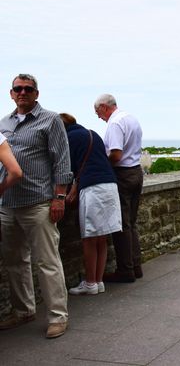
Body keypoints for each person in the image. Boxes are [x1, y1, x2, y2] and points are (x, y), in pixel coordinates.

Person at [0, 74, 72, 339]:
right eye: (18, 89)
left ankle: (57, 316)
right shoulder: (4, 123)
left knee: (47, 262)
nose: (23, 93)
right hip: (7, 204)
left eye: (28, 89)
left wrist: (59, 198)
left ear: (36, 93)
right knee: (15, 262)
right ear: (11, 93)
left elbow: (62, 161)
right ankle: (23, 311)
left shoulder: (50, 120)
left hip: (38, 203)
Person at [60, 113, 122, 296]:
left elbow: (68, 169)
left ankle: (90, 283)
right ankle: (99, 281)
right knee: (102, 237)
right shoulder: (92, 133)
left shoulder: (69, 138)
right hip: (110, 185)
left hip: (93, 188)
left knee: (89, 238)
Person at [94, 94, 144, 283]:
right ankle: (136, 266)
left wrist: (101, 165)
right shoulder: (130, 118)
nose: (99, 117)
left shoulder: (115, 123)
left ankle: (125, 270)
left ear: (104, 107)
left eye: (98, 112)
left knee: (121, 225)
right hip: (135, 172)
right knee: (131, 222)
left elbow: (115, 154)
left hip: (122, 174)